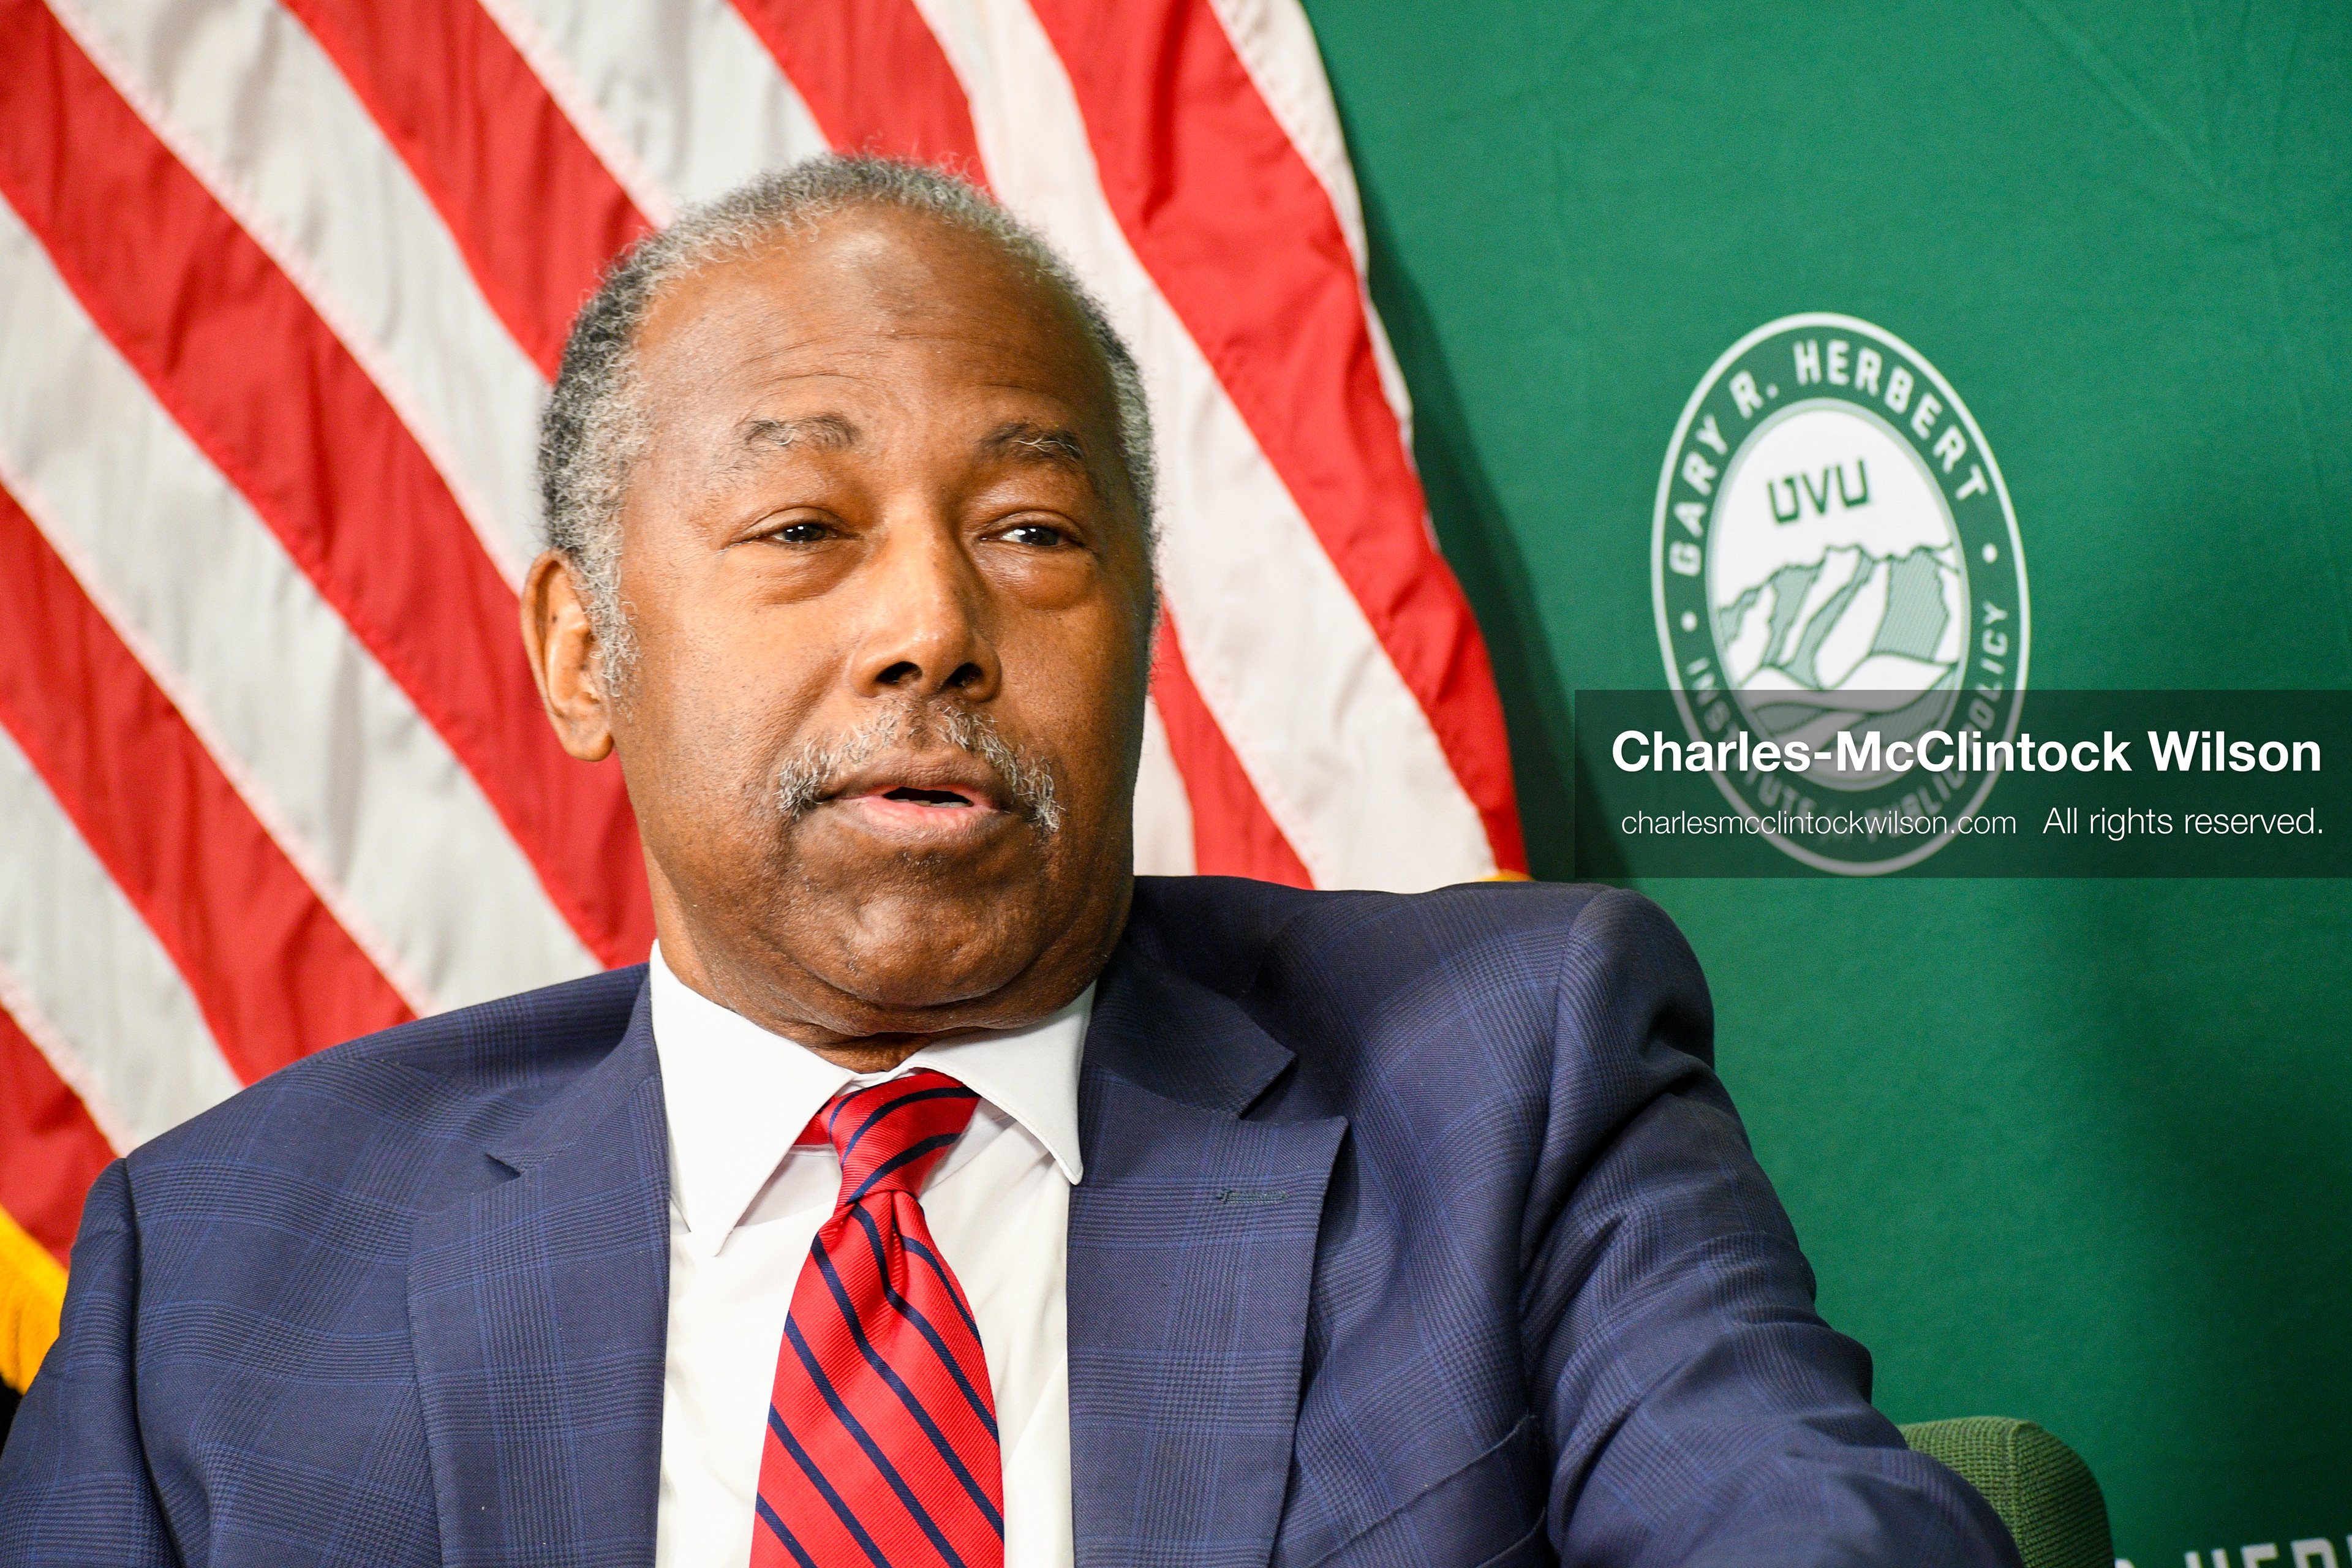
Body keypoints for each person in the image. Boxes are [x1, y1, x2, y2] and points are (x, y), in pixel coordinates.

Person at [0, 157, 2018, 1568]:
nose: (932, 627)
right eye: (805, 531)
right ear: (584, 651)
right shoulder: (221, 1270)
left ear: (1139, 624)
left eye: (1034, 534)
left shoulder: (1509, 1075)